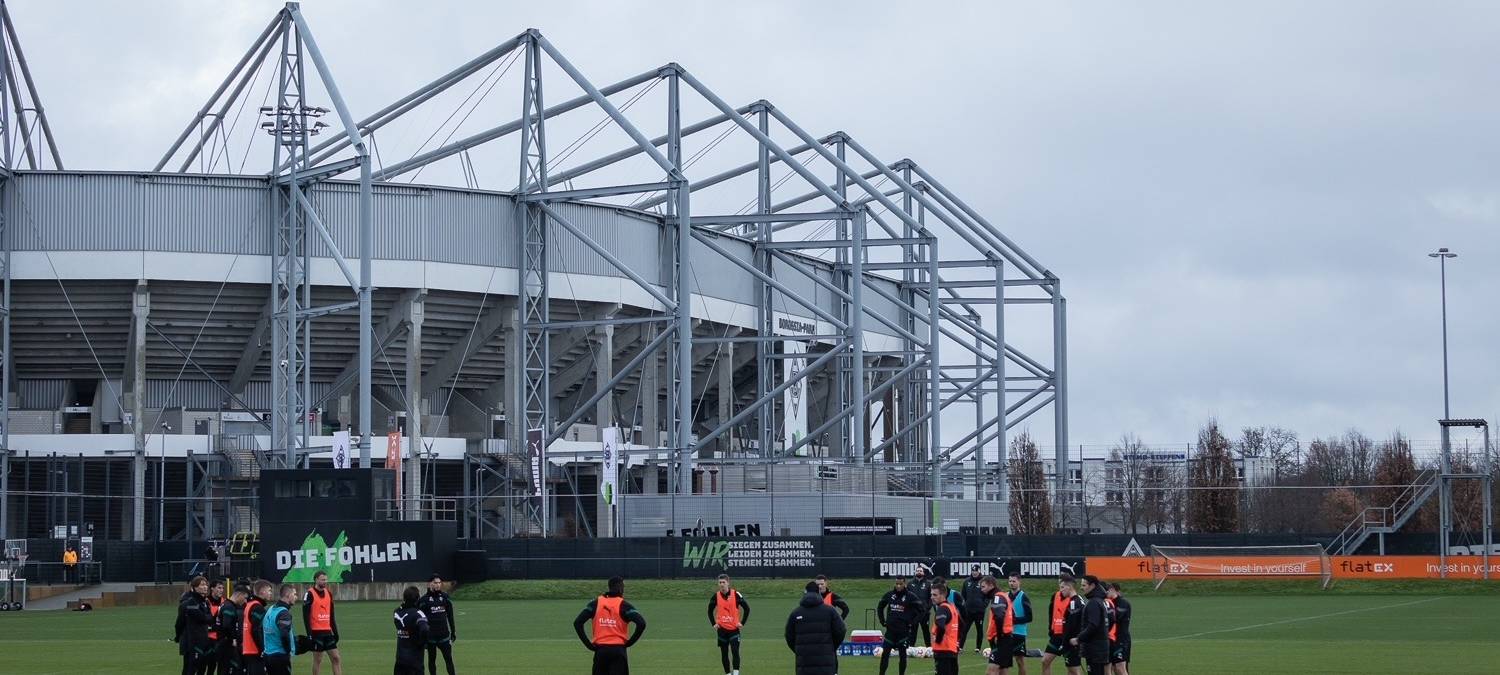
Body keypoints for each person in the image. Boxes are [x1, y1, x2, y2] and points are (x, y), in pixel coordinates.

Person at [573, 576, 647, 675]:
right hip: (618, 651)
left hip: (600, 651)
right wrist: (629, 643)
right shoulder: (624, 605)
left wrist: (588, 645)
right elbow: (641, 623)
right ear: (621, 588)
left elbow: (577, 623)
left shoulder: (595, 604)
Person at [785, 580, 846, 675]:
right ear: (818, 593)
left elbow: (789, 636)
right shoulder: (830, 611)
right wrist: (831, 647)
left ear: (805, 593)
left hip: (804, 662)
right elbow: (841, 630)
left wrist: (799, 649)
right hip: (826, 663)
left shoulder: (796, 613)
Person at [876, 577, 920, 675]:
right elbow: (880, 607)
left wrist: (912, 623)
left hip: (903, 632)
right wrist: (882, 621)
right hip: (890, 632)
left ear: (905, 584)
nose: (898, 586)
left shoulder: (910, 596)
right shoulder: (889, 595)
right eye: (896, 584)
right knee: (885, 655)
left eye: (900, 584)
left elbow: (921, 610)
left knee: (903, 656)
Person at [707, 574, 750, 675]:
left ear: (728, 583)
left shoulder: (736, 594)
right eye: (720, 583)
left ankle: (736, 673)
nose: (721, 585)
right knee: (724, 654)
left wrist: (742, 622)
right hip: (722, 630)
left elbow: (747, 608)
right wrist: (714, 623)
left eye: (723, 582)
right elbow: (709, 610)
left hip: (734, 630)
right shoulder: (716, 596)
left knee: (735, 652)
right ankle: (728, 673)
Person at [302, 571, 342, 675]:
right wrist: (309, 634)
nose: (325, 582)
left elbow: (331, 615)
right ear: (316, 580)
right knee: (318, 660)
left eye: (326, 579)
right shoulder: (309, 594)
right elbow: (305, 616)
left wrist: (335, 632)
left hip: (328, 632)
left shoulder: (328, 593)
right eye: (322, 579)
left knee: (336, 658)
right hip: (316, 633)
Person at [1071, 576, 1113, 675]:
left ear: (1092, 586)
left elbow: (1093, 625)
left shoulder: (1093, 603)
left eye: (1084, 585)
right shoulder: (1100, 601)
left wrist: (1078, 639)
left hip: (1095, 650)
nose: (1081, 588)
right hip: (1100, 648)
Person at [1041, 577, 1083, 675]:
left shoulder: (1075, 601)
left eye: (1062, 587)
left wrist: (1077, 638)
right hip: (1056, 636)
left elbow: (1077, 621)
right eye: (1060, 586)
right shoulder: (1055, 596)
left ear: (1069, 586)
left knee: (1072, 669)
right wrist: (1051, 628)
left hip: (1069, 638)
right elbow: (1051, 612)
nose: (1060, 589)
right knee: (1045, 661)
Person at [419, 574, 458, 675]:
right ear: (429, 584)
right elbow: (419, 620)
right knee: (432, 660)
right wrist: (422, 639)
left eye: (439, 583)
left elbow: (450, 616)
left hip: (444, 636)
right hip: (430, 637)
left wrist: (453, 631)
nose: (438, 585)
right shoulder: (423, 600)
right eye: (435, 583)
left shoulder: (445, 597)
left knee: (449, 659)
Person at [177, 576, 216, 675]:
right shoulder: (191, 602)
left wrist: (207, 617)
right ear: (194, 587)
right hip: (192, 642)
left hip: (203, 640)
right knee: (190, 669)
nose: (205, 587)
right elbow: (202, 617)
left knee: (202, 668)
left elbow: (209, 618)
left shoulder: (205, 602)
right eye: (202, 585)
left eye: (206, 584)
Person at [980, 575, 1016, 675]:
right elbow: (1013, 616)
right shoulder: (1004, 596)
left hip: (1001, 639)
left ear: (991, 585)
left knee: (991, 671)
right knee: (1003, 670)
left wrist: (999, 635)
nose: (981, 590)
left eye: (983, 587)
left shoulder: (997, 597)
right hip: (1007, 638)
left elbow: (999, 616)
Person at [393, 585, 431, 675]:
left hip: (400, 659)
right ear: (417, 599)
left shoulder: (397, 613)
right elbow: (425, 629)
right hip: (415, 661)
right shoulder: (418, 614)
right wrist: (423, 643)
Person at [262, 584, 298, 675]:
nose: (296, 597)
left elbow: (261, 628)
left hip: (268, 655)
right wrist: (288, 651)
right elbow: (284, 634)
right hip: (279, 656)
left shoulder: (270, 609)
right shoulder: (284, 613)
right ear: (288, 595)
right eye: (294, 594)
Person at [242, 581, 273, 675]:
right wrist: (262, 649)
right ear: (262, 591)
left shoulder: (249, 604)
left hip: (248, 648)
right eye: (269, 590)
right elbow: (256, 630)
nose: (271, 593)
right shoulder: (258, 607)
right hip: (255, 650)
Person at [1008, 574, 1035, 675]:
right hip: (1007, 633)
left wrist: (1014, 620)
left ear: (1019, 582)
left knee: (1020, 661)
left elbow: (1029, 617)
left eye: (1014, 581)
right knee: (1004, 662)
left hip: (1019, 633)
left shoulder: (1023, 597)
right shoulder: (1005, 596)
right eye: (1010, 581)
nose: (1011, 583)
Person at [216, 586, 246, 675]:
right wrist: (233, 638)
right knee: (229, 669)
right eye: (244, 598)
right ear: (239, 595)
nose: (244, 601)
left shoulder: (224, 604)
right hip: (226, 644)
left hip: (221, 642)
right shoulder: (229, 607)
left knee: (223, 669)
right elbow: (226, 625)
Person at [930, 585, 960, 675]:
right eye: (931, 595)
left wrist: (938, 640)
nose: (932, 597)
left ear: (942, 595)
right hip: (952, 649)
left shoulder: (942, 608)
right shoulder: (952, 607)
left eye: (935, 595)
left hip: (943, 651)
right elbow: (962, 623)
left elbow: (941, 626)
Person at [960, 565, 988, 653]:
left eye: (976, 571)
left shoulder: (984, 581)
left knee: (979, 629)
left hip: (979, 611)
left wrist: (983, 605)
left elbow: (988, 595)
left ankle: (978, 648)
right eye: (973, 571)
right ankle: (960, 647)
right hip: (968, 611)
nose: (974, 573)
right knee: (964, 629)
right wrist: (966, 604)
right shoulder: (967, 581)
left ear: (979, 571)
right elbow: (963, 594)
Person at [1105, 584, 1131, 675]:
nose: (1106, 593)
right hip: (1110, 639)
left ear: (1113, 590)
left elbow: (1116, 617)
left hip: (1121, 639)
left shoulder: (1123, 603)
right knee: (1110, 667)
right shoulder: (1107, 602)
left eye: (1107, 591)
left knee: (1120, 668)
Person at [907, 566, 934, 647]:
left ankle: (929, 647)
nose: (919, 572)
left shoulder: (928, 584)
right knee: (913, 630)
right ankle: (911, 647)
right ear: (915, 573)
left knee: (925, 630)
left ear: (923, 573)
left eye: (920, 571)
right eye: (917, 571)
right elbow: (907, 597)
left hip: (924, 612)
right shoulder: (910, 584)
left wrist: (927, 608)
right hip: (913, 613)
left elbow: (931, 597)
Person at [205, 579, 226, 675]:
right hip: (209, 638)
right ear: (212, 588)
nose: (221, 590)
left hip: (220, 638)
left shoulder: (224, 602)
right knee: (210, 664)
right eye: (219, 588)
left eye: (222, 588)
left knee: (221, 664)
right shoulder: (206, 601)